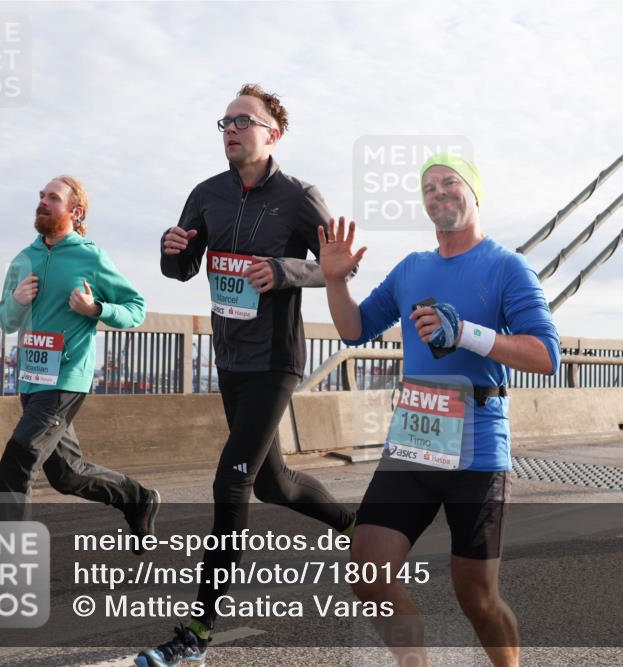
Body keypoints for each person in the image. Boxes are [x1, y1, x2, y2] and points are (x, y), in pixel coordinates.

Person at [136, 84, 355, 667]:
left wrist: (282, 271)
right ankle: (354, 525)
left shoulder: (299, 197)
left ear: (271, 133)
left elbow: (333, 266)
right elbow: (181, 268)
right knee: (271, 483)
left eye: (243, 120)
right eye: (224, 122)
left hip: (276, 361)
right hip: (229, 358)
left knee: (230, 484)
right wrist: (171, 246)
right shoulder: (207, 195)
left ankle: (198, 634)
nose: (231, 129)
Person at [317, 154, 560, 667]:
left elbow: (545, 355)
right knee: (369, 571)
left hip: (477, 449)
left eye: (450, 183)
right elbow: (353, 329)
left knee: (475, 596)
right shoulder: (412, 269)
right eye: (428, 188)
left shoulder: (505, 267)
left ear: (475, 194)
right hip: (416, 438)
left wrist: (467, 334)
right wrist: (336, 282)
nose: (439, 193)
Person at [0, 175, 160, 546]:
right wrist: (16, 301)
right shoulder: (24, 259)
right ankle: (137, 498)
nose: (43, 201)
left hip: (67, 379)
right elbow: (5, 321)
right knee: (67, 475)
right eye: (41, 195)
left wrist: (96, 308)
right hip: (31, 379)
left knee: (18, 459)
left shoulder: (91, 257)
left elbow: (136, 309)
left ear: (75, 211)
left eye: (53, 197)